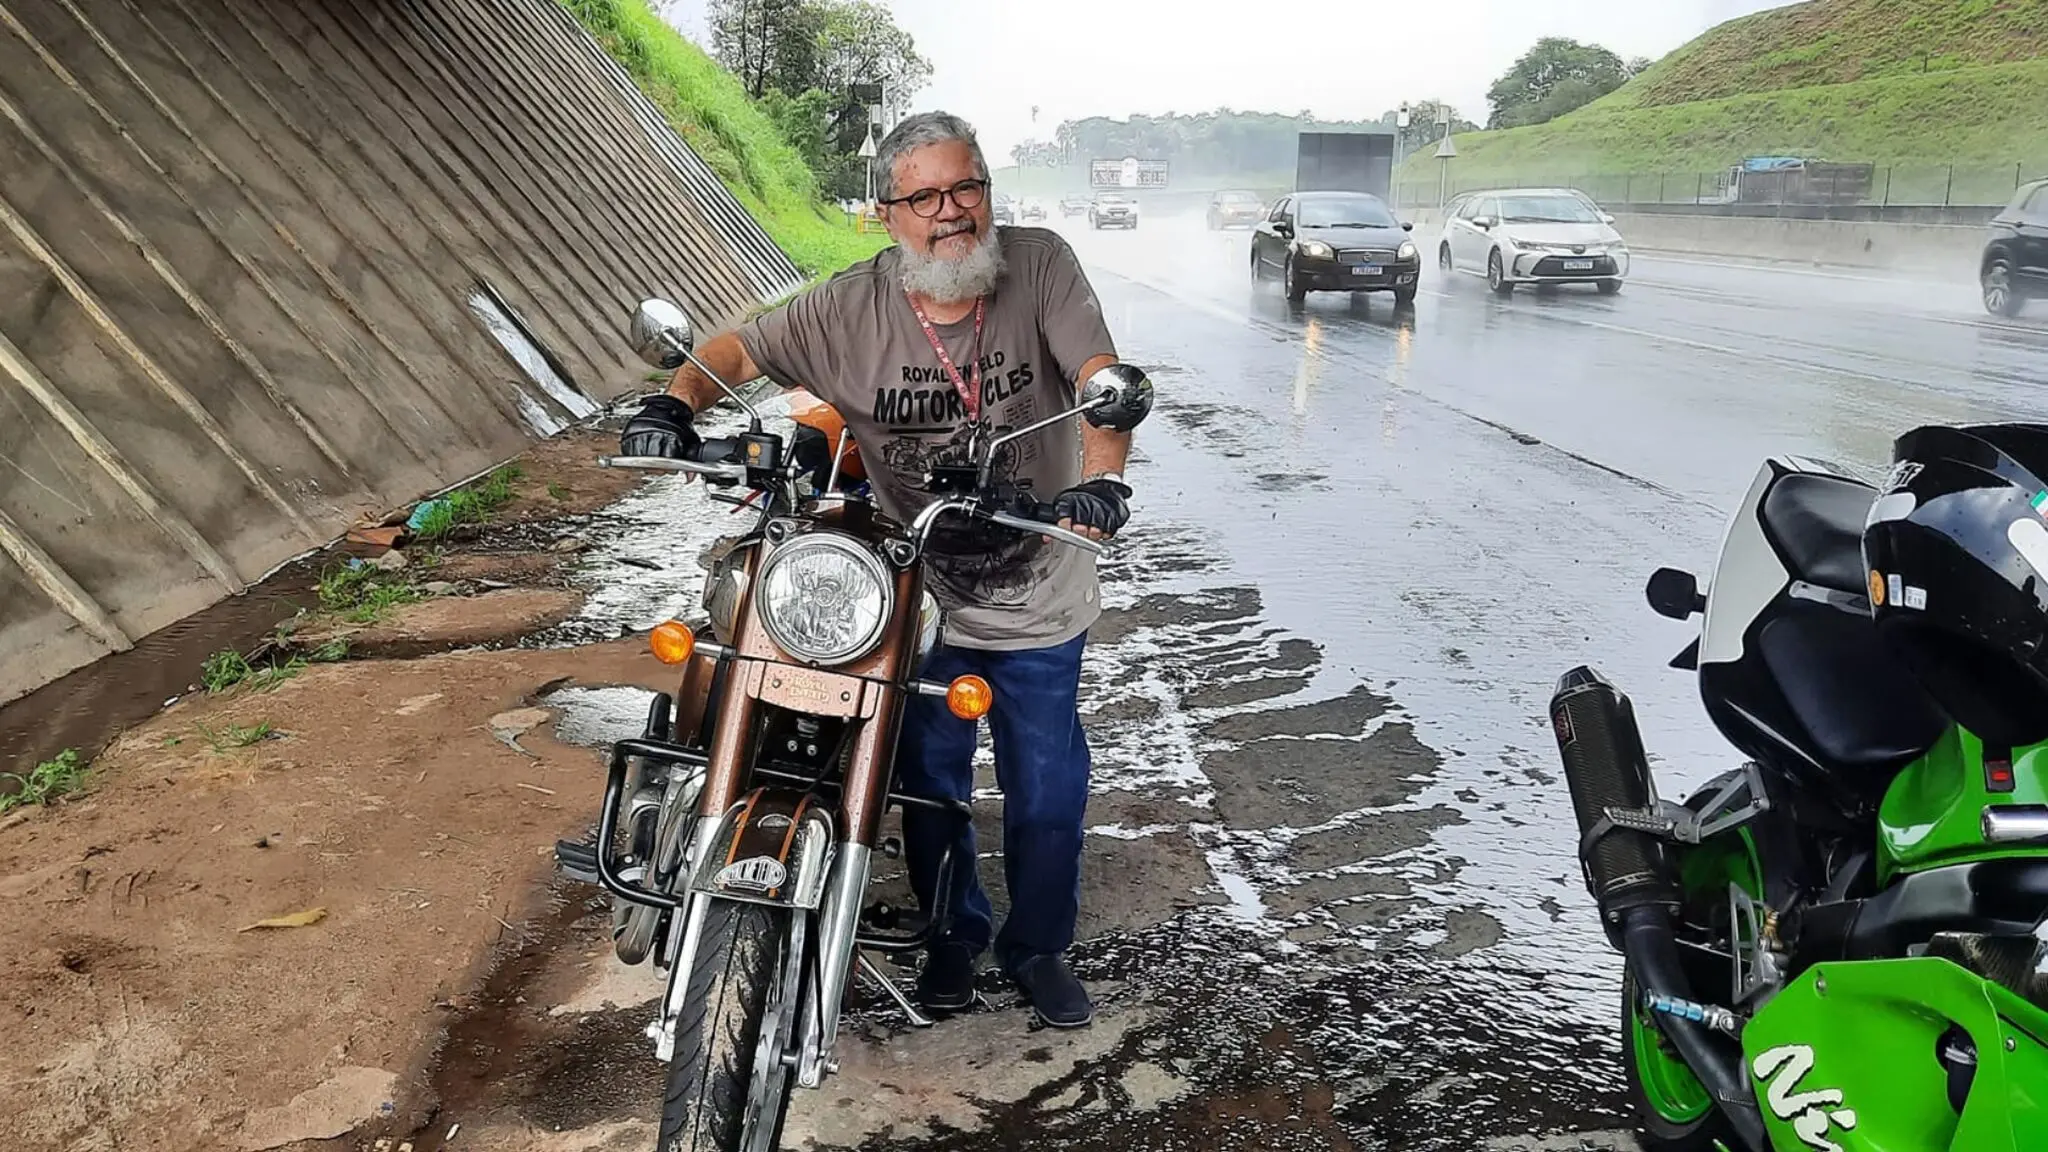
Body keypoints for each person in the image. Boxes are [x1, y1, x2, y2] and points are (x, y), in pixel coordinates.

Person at [617, 110, 1134, 1029]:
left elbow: (1100, 375)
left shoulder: (1041, 263)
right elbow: (738, 350)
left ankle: (1038, 946)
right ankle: (950, 938)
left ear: (986, 190)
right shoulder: (848, 308)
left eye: (966, 187)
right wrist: (674, 398)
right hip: (917, 590)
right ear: (887, 212)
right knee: (929, 782)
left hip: (1040, 576)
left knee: (1046, 789)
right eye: (925, 196)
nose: (951, 212)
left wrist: (1102, 487)